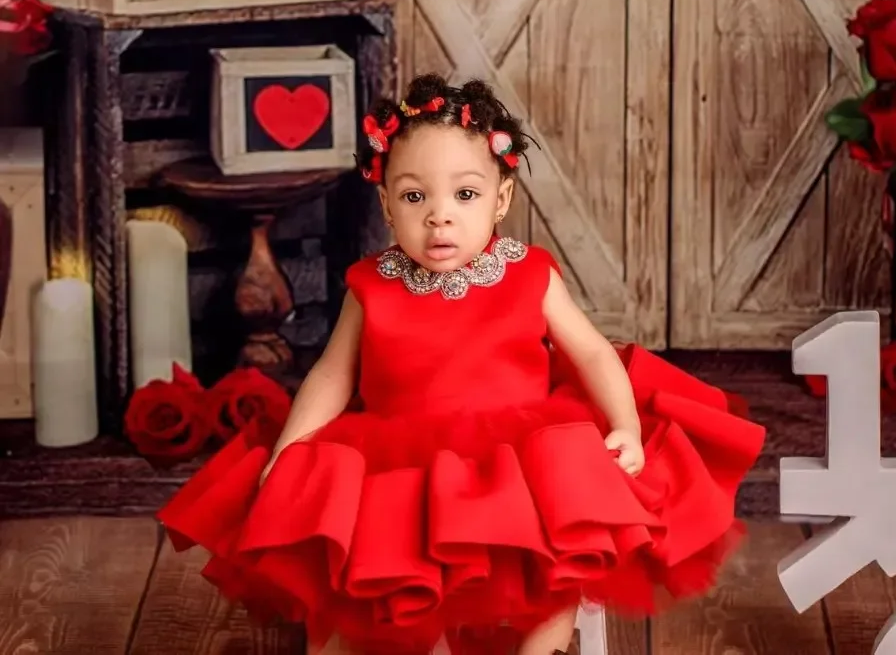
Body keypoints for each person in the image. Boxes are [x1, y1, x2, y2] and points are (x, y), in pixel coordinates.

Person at [159, 75, 765, 655]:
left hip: (517, 455)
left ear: (501, 198)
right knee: (343, 547)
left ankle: (544, 648)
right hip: (400, 458)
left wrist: (624, 425)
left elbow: (591, 353)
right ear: (387, 204)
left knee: (561, 548)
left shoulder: (529, 273)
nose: (439, 215)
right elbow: (331, 377)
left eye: (464, 194)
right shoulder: (372, 284)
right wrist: (293, 449)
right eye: (415, 195)